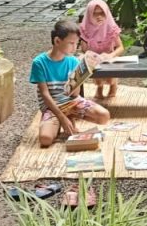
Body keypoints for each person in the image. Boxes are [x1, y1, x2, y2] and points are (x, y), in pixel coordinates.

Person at [32, 20, 111, 148]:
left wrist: (81, 76)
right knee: (45, 139)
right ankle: (60, 122)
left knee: (104, 116)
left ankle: (70, 117)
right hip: (52, 107)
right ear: (57, 41)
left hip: (72, 102)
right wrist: (61, 117)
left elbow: (74, 95)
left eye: (77, 43)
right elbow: (45, 95)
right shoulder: (39, 62)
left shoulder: (73, 61)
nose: (75, 47)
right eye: (71, 43)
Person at [78, 0, 125, 99]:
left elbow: (121, 47)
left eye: (101, 13)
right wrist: (89, 54)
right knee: (92, 66)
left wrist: (110, 55)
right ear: (89, 15)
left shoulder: (111, 27)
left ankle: (113, 86)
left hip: (109, 56)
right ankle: (99, 87)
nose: (99, 16)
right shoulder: (84, 29)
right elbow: (84, 49)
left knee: (111, 72)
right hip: (94, 57)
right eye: (94, 14)